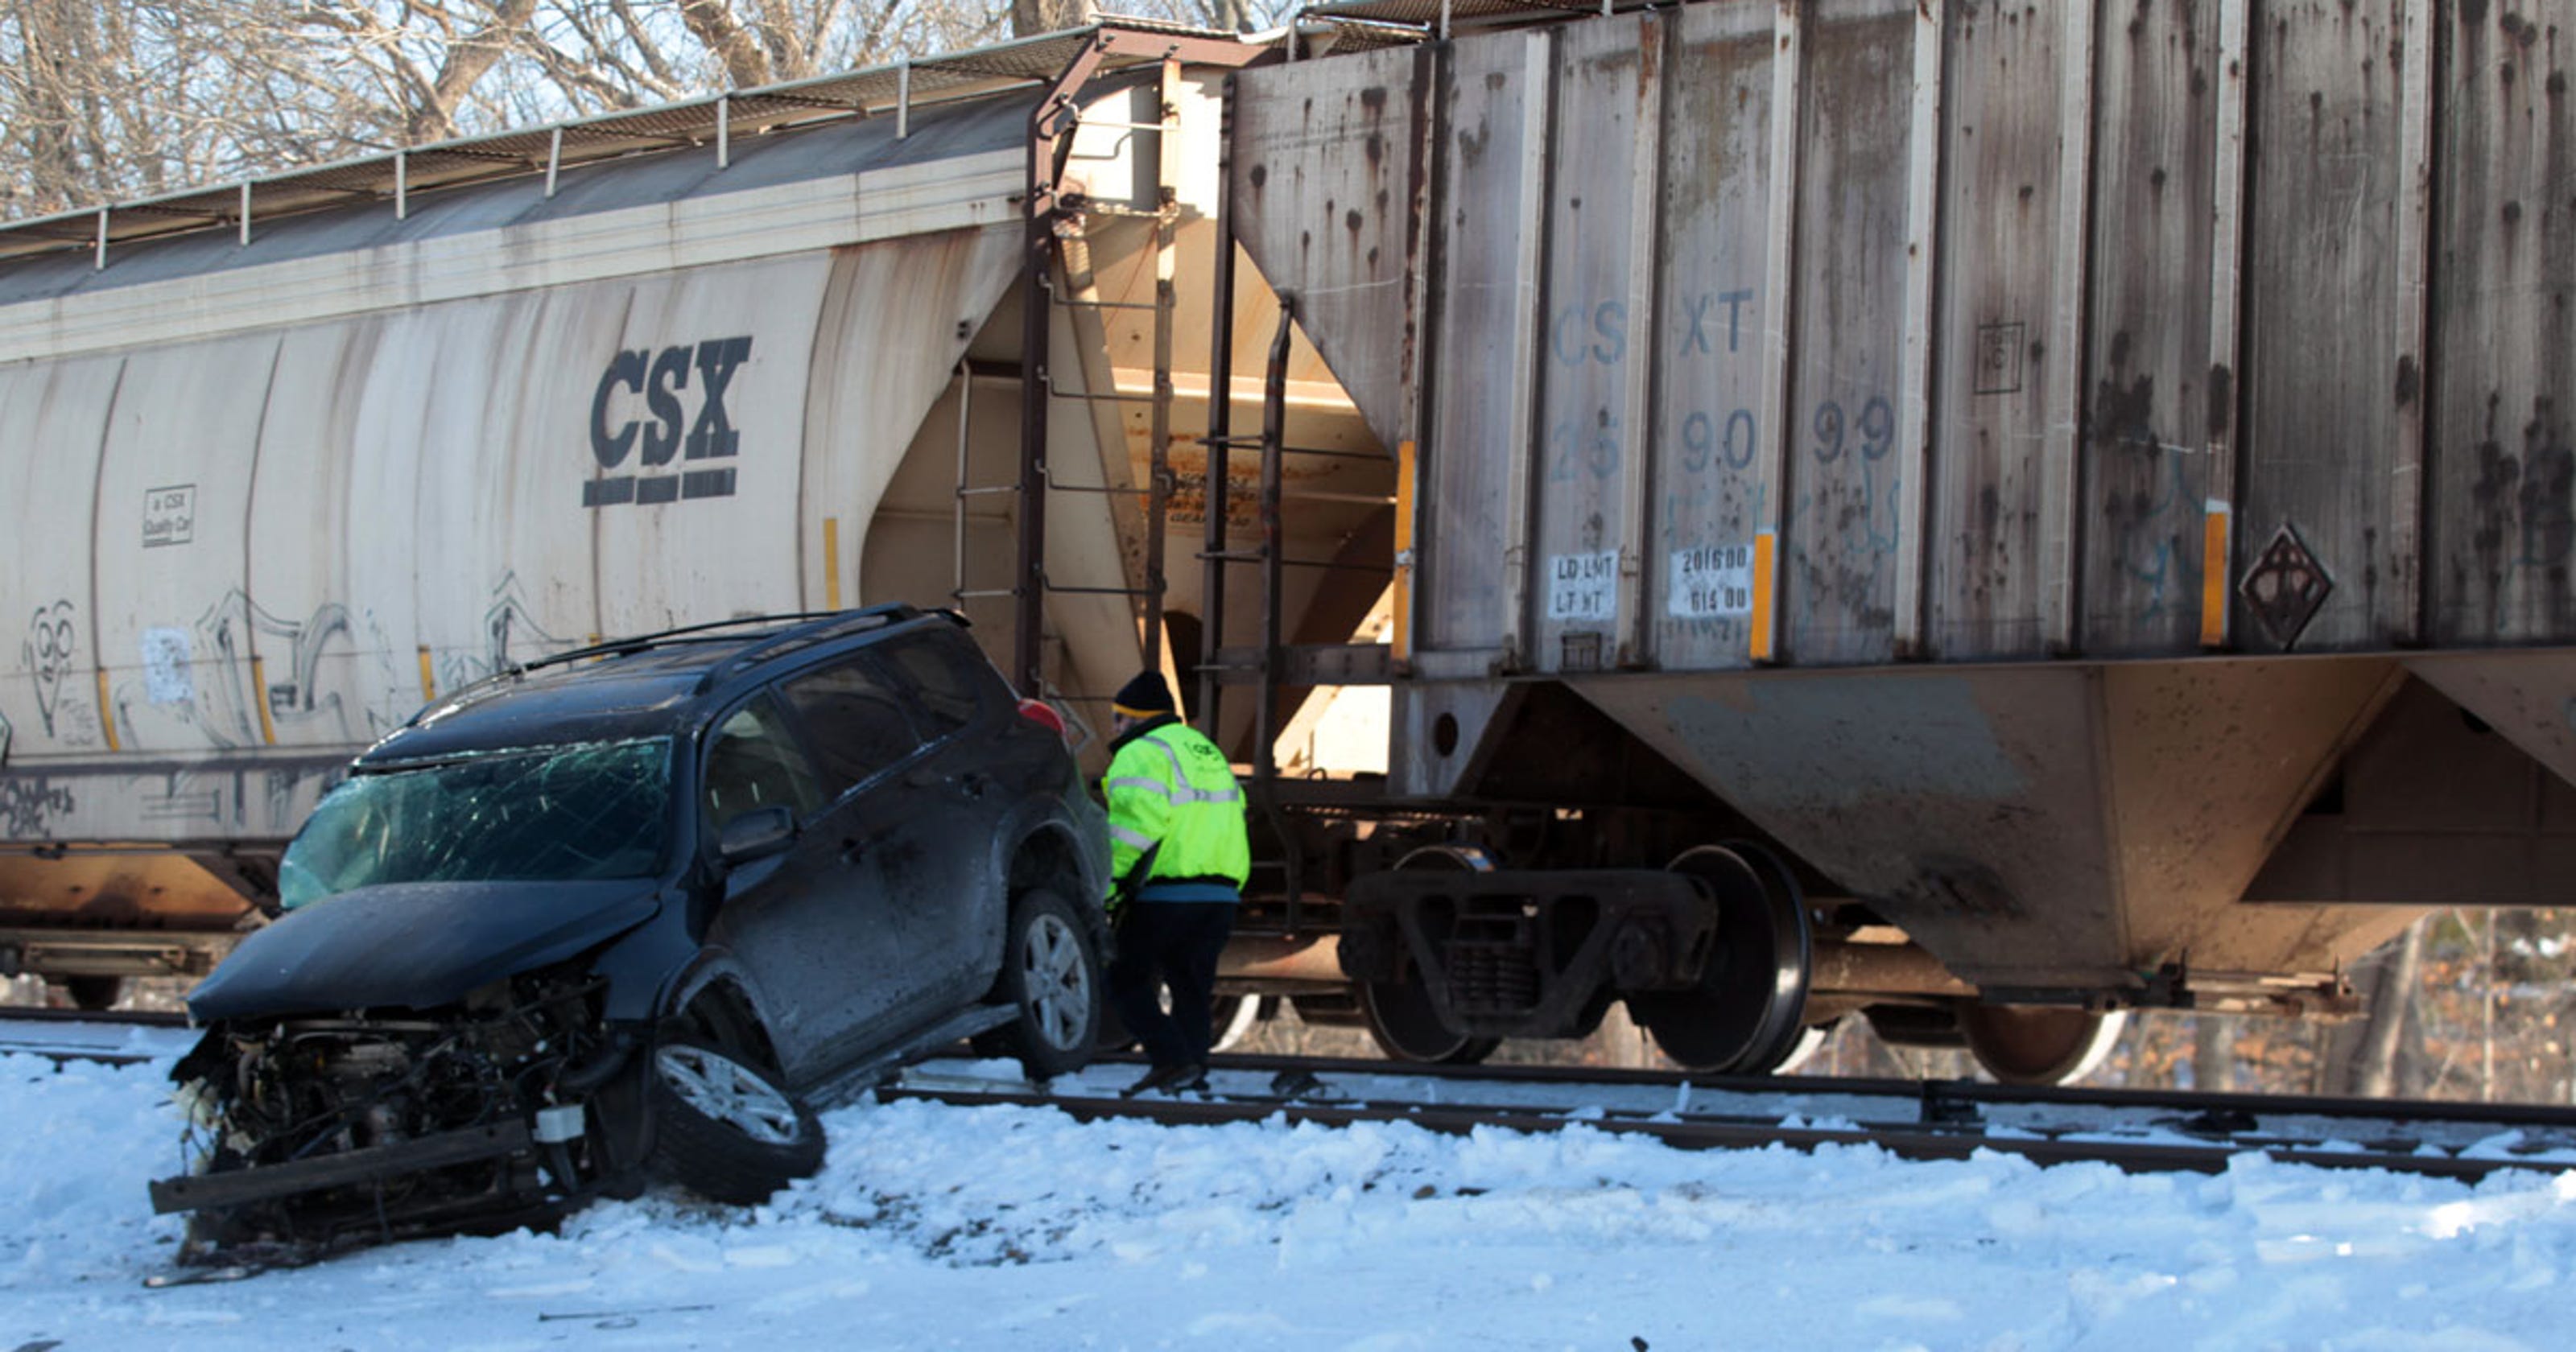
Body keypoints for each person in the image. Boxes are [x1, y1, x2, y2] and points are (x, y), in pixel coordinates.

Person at [1100, 670, 1249, 1097]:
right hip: (1221, 893)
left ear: (1133, 718)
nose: (1114, 728)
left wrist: (1106, 888)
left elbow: (1132, 831)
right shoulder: (1206, 750)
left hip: (1166, 892)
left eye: (1117, 718)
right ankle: (1192, 1076)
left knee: (1125, 979)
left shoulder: (1140, 753)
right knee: (1191, 988)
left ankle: (1171, 1060)